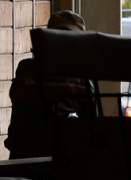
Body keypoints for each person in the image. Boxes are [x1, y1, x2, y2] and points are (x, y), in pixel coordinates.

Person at [4, 10, 94, 159]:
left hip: (25, 152)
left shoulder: (27, 68)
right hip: (51, 155)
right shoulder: (80, 78)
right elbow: (91, 122)